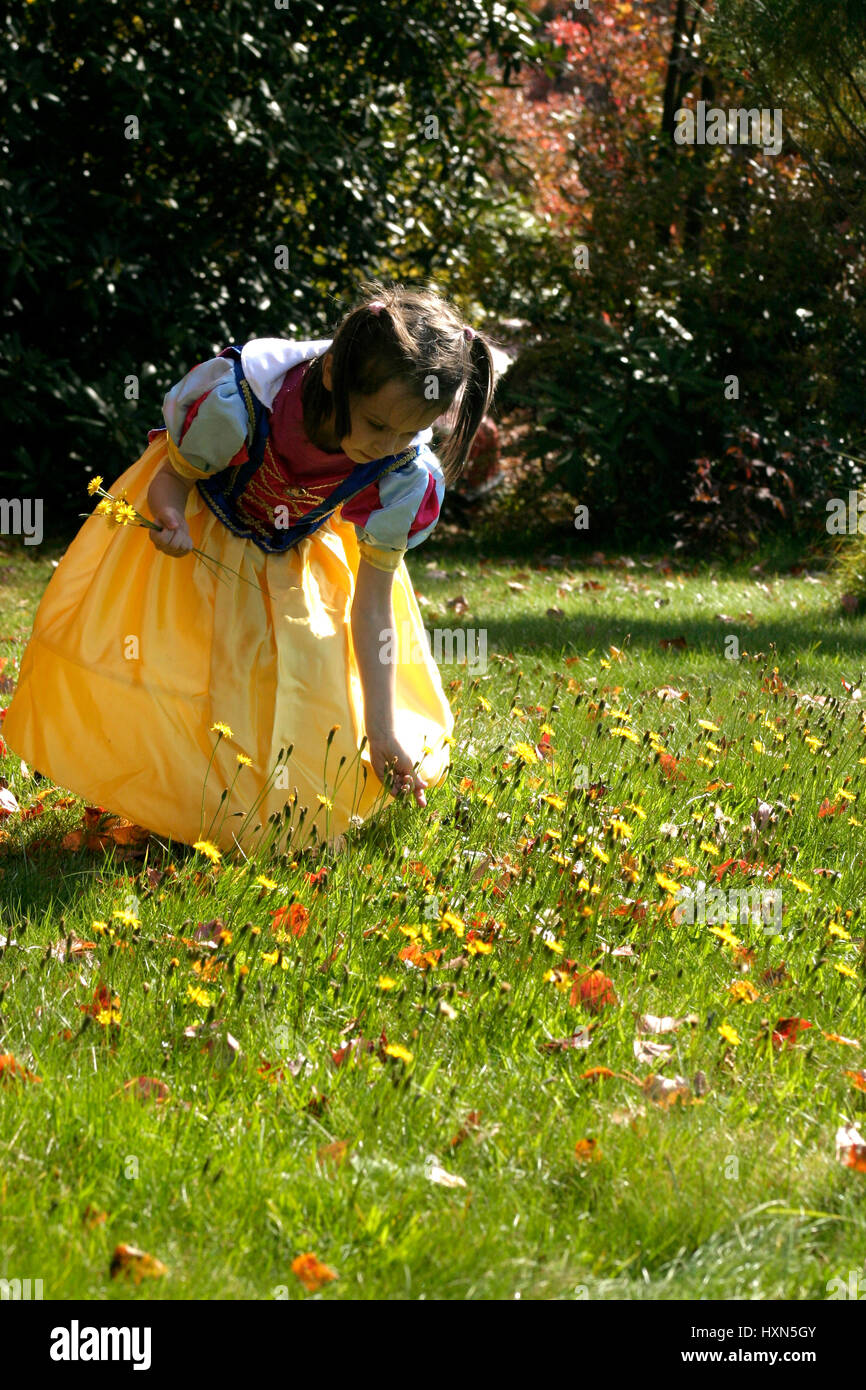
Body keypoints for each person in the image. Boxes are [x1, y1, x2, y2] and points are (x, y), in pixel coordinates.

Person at [3, 281, 496, 857]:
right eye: (376, 425)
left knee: (287, 679)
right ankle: (166, 804)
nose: (389, 446)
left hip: (294, 550)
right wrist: (168, 516)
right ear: (333, 374)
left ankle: (249, 810)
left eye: (411, 431)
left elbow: (372, 602)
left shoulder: (403, 474)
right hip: (197, 528)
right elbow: (172, 477)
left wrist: (382, 730)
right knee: (180, 670)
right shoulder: (237, 405)